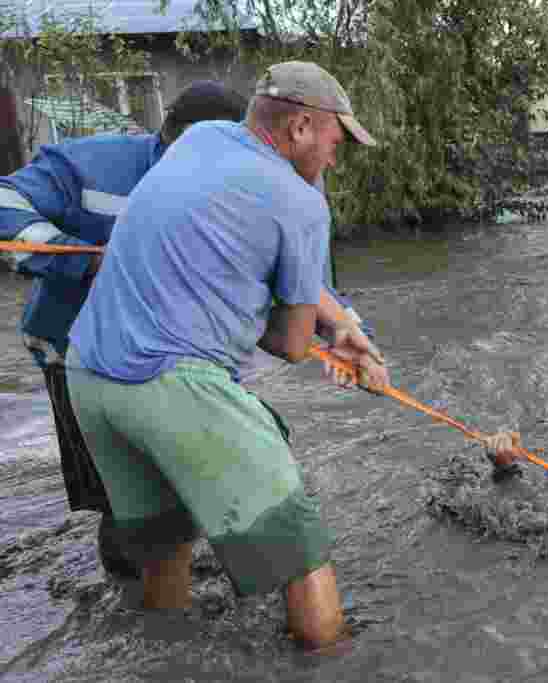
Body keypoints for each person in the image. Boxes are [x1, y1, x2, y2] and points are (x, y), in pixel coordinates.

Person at [65, 61, 388, 652]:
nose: (336, 160)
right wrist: (331, 342)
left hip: (88, 377)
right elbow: (290, 345)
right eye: (335, 142)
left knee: (166, 554)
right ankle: (331, 658)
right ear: (299, 127)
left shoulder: (199, 139)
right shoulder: (302, 201)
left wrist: (339, 321)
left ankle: (170, 658)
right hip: (175, 385)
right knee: (301, 549)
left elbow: (213, 237)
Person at [0, 81, 249, 579]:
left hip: (181, 356)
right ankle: (132, 598)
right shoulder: (91, 165)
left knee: (195, 483)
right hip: (74, 352)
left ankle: (172, 574)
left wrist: (344, 334)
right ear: (170, 136)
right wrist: (85, 261)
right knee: (122, 500)